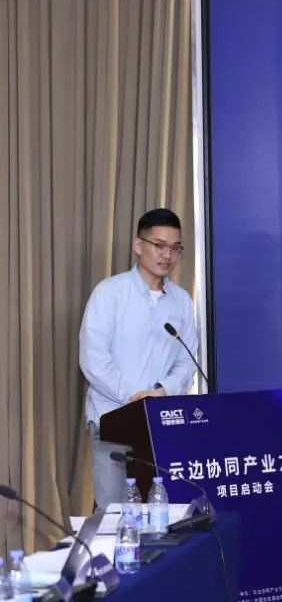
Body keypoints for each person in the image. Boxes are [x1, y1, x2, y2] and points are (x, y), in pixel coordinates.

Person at [79, 208, 197, 510]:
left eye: (175, 248)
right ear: (138, 245)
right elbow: (93, 359)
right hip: (112, 421)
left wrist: (163, 391)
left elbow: (186, 362)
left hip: (159, 427)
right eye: (159, 245)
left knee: (160, 512)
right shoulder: (110, 293)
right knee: (114, 512)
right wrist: (134, 399)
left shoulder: (182, 301)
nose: (167, 255)